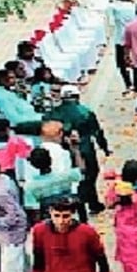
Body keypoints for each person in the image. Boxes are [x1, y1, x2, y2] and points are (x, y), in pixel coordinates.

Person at [45, 84, 111, 214]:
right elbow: (97, 132)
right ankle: (92, 201)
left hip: (63, 149)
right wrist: (105, 148)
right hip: (85, 147)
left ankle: (77, 202)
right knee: (90, 174)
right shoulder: (86, 112)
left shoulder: (53, 113)